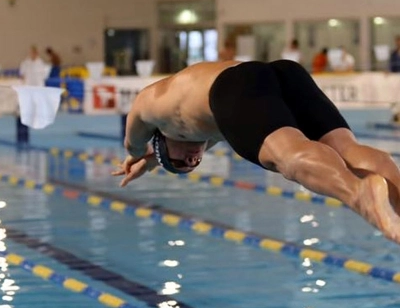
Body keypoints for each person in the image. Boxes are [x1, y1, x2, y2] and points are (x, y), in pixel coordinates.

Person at [112, 60, 400, 245]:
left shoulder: (149, 106)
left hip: (233, 86)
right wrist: (154, 162)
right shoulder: (205, 124)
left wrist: (140, 157)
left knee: (288, 158)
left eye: (178, 161)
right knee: (347, 150)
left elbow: (132, 144)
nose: (192, 159)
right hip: (282, 72)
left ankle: (358, 192)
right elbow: (224, 124)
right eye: (194, 164)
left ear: (161, 140)